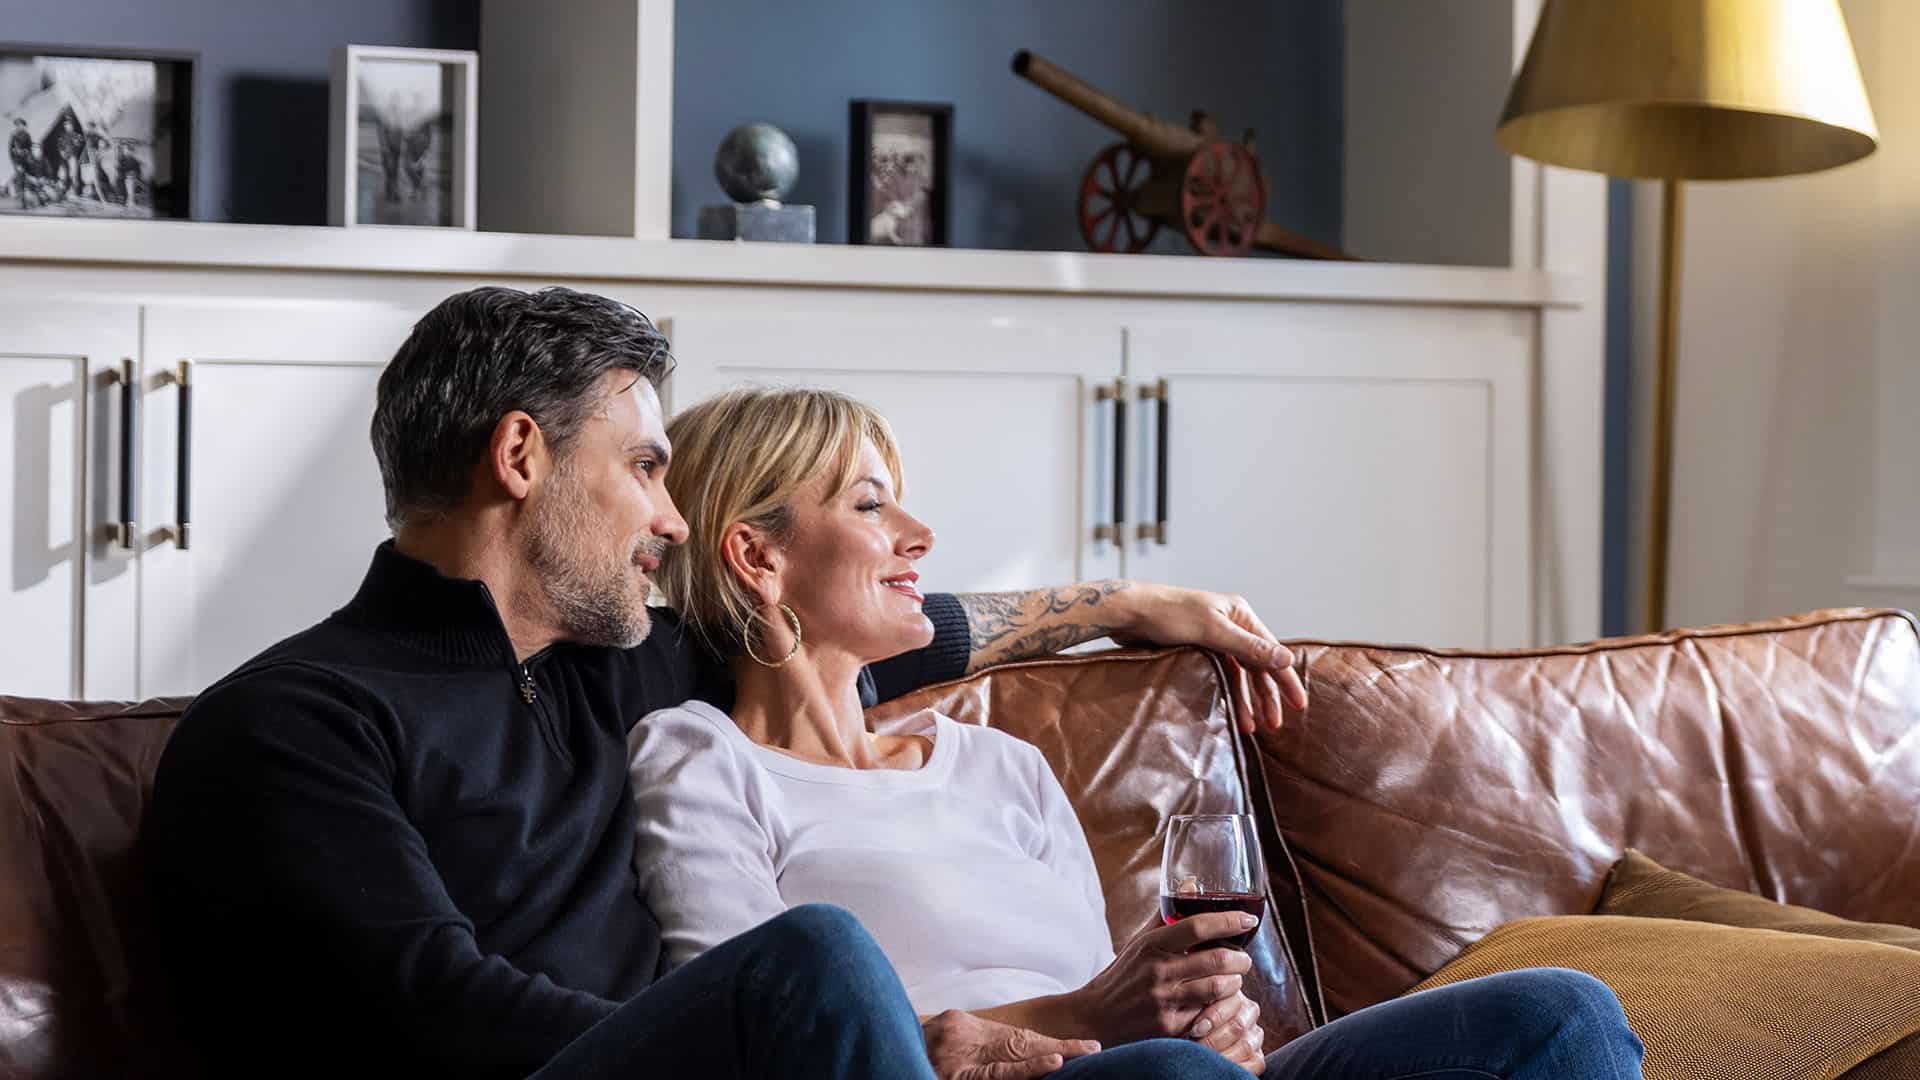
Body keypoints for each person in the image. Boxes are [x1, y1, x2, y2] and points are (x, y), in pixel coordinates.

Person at [144, 285, 1312, 1080]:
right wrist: (851, 1031)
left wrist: (1119, 606)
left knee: (1494, 1019)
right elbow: (437, 1005)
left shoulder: (624, 668)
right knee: (815, 953)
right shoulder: (294, 721)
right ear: (520, 458)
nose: (669, 516)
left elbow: (871, 622)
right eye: (646, 468)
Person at [629, 385, 1649, 1080]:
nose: (920, 536)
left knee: (1562, 1015)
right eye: (869, 504)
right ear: (756, 556)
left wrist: (1199, 1019)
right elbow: (740, 1035)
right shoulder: (702, 756)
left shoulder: (1003, 766)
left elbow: (1111, 995)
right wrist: (1085, 1024)